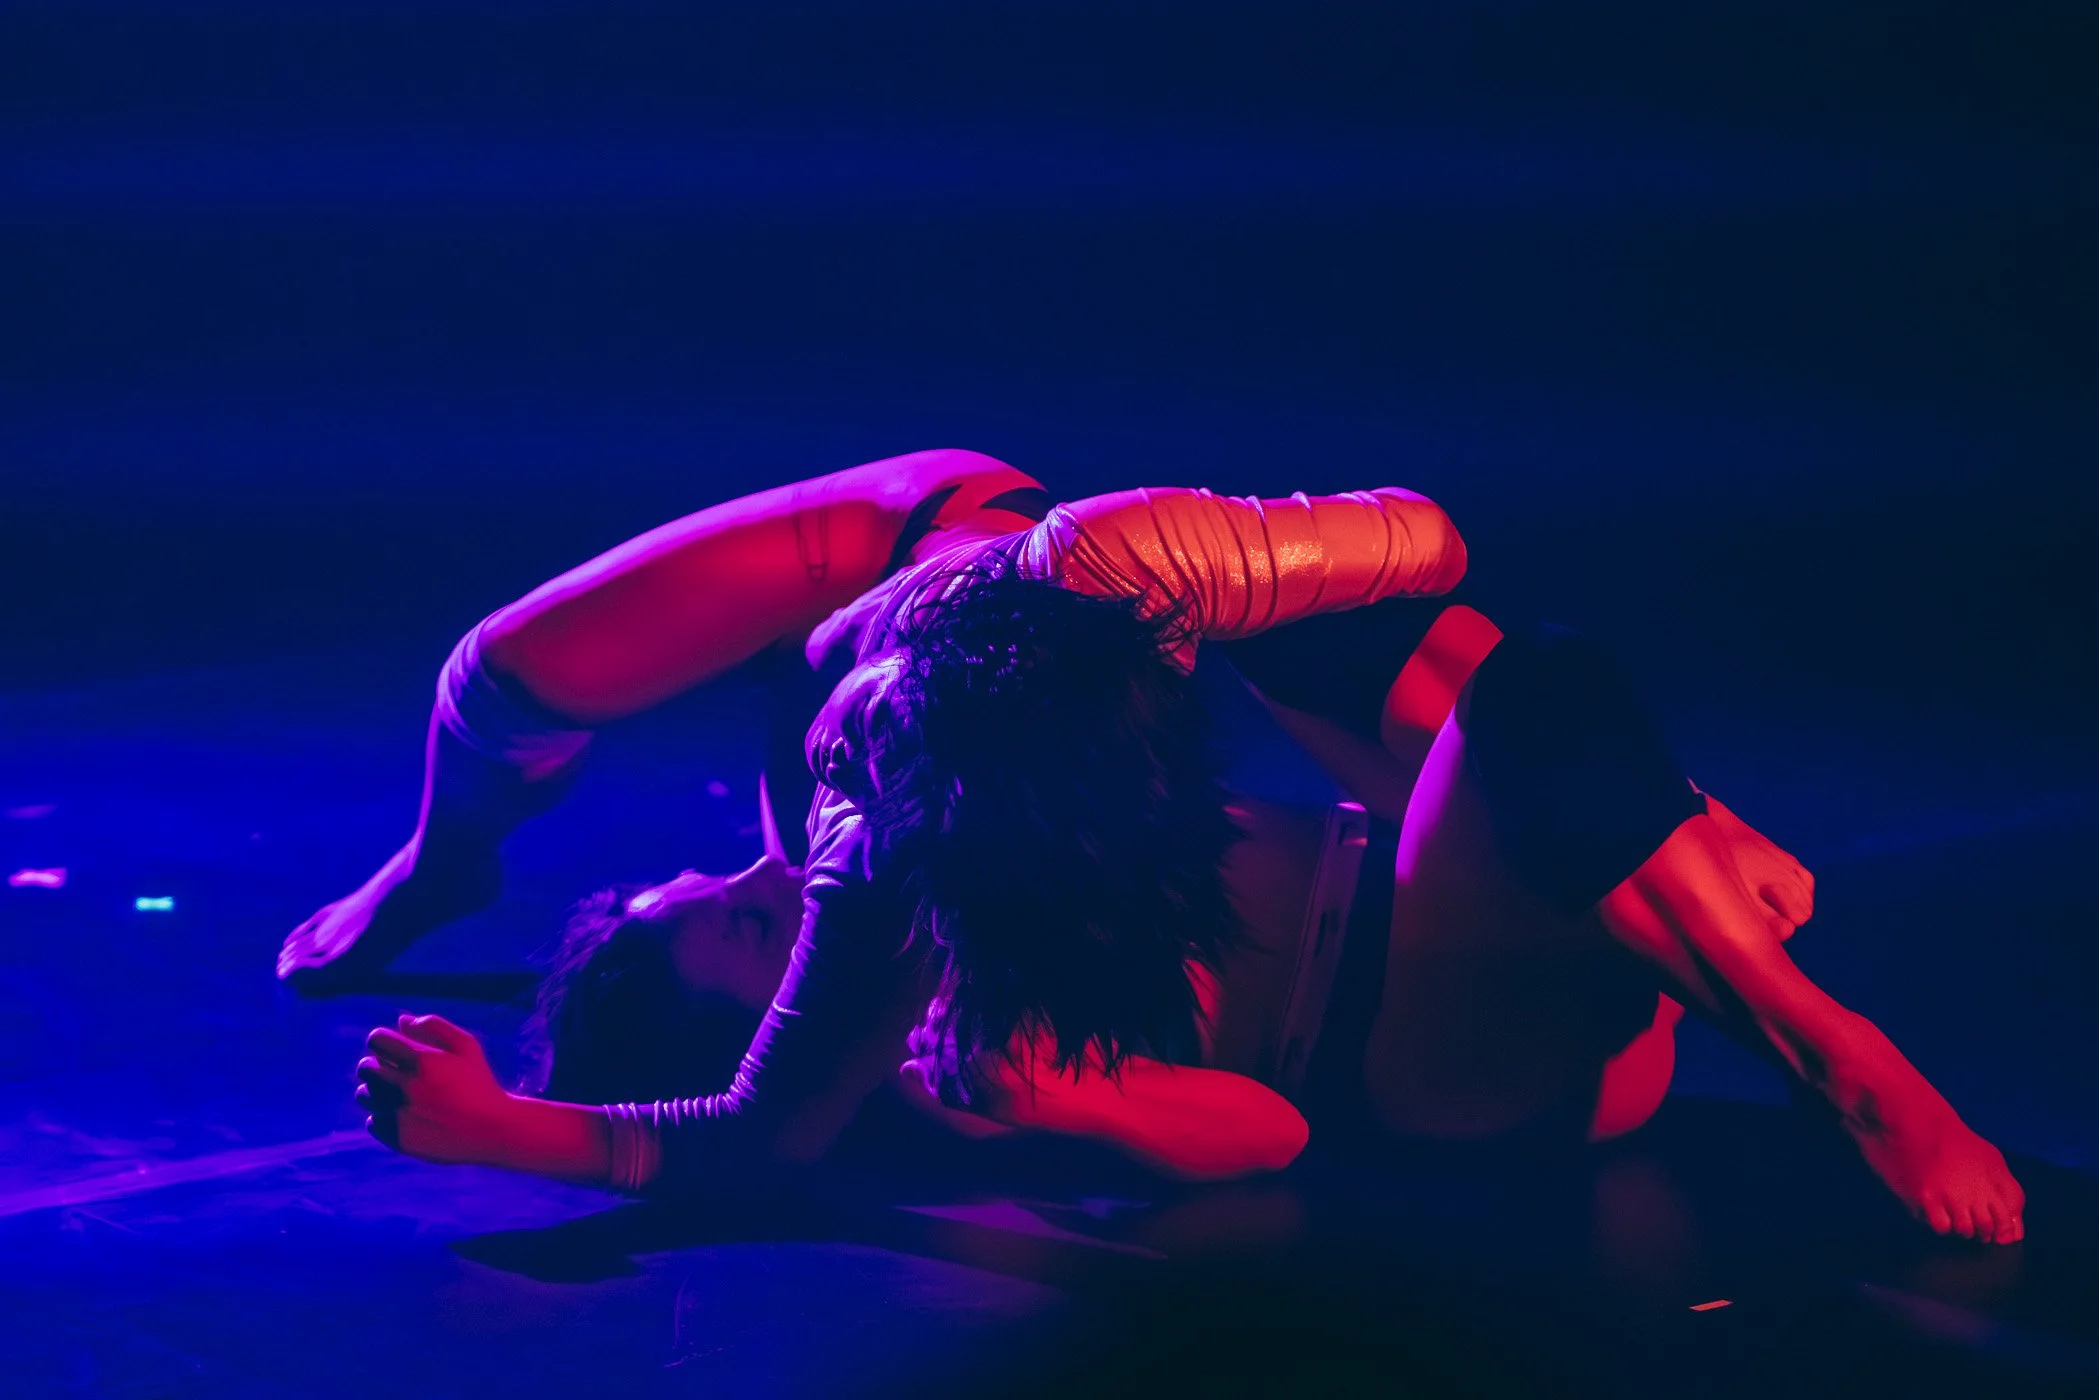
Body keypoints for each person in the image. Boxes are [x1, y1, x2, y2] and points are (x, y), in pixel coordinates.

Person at [341, 454, 2025, 1244]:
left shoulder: (920, 723)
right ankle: (1826, 1044)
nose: (754, 874)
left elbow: (1418, 556)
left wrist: (1238, 573)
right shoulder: (916, 1000)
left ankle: (1674, 862)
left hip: (1436, 851)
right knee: (1537, 701)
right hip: (1446, 1055)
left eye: (714, 876)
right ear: (753, 1011)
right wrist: (506, 1131)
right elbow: (1269, 1133)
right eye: (728, 925)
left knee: (1496, 678)